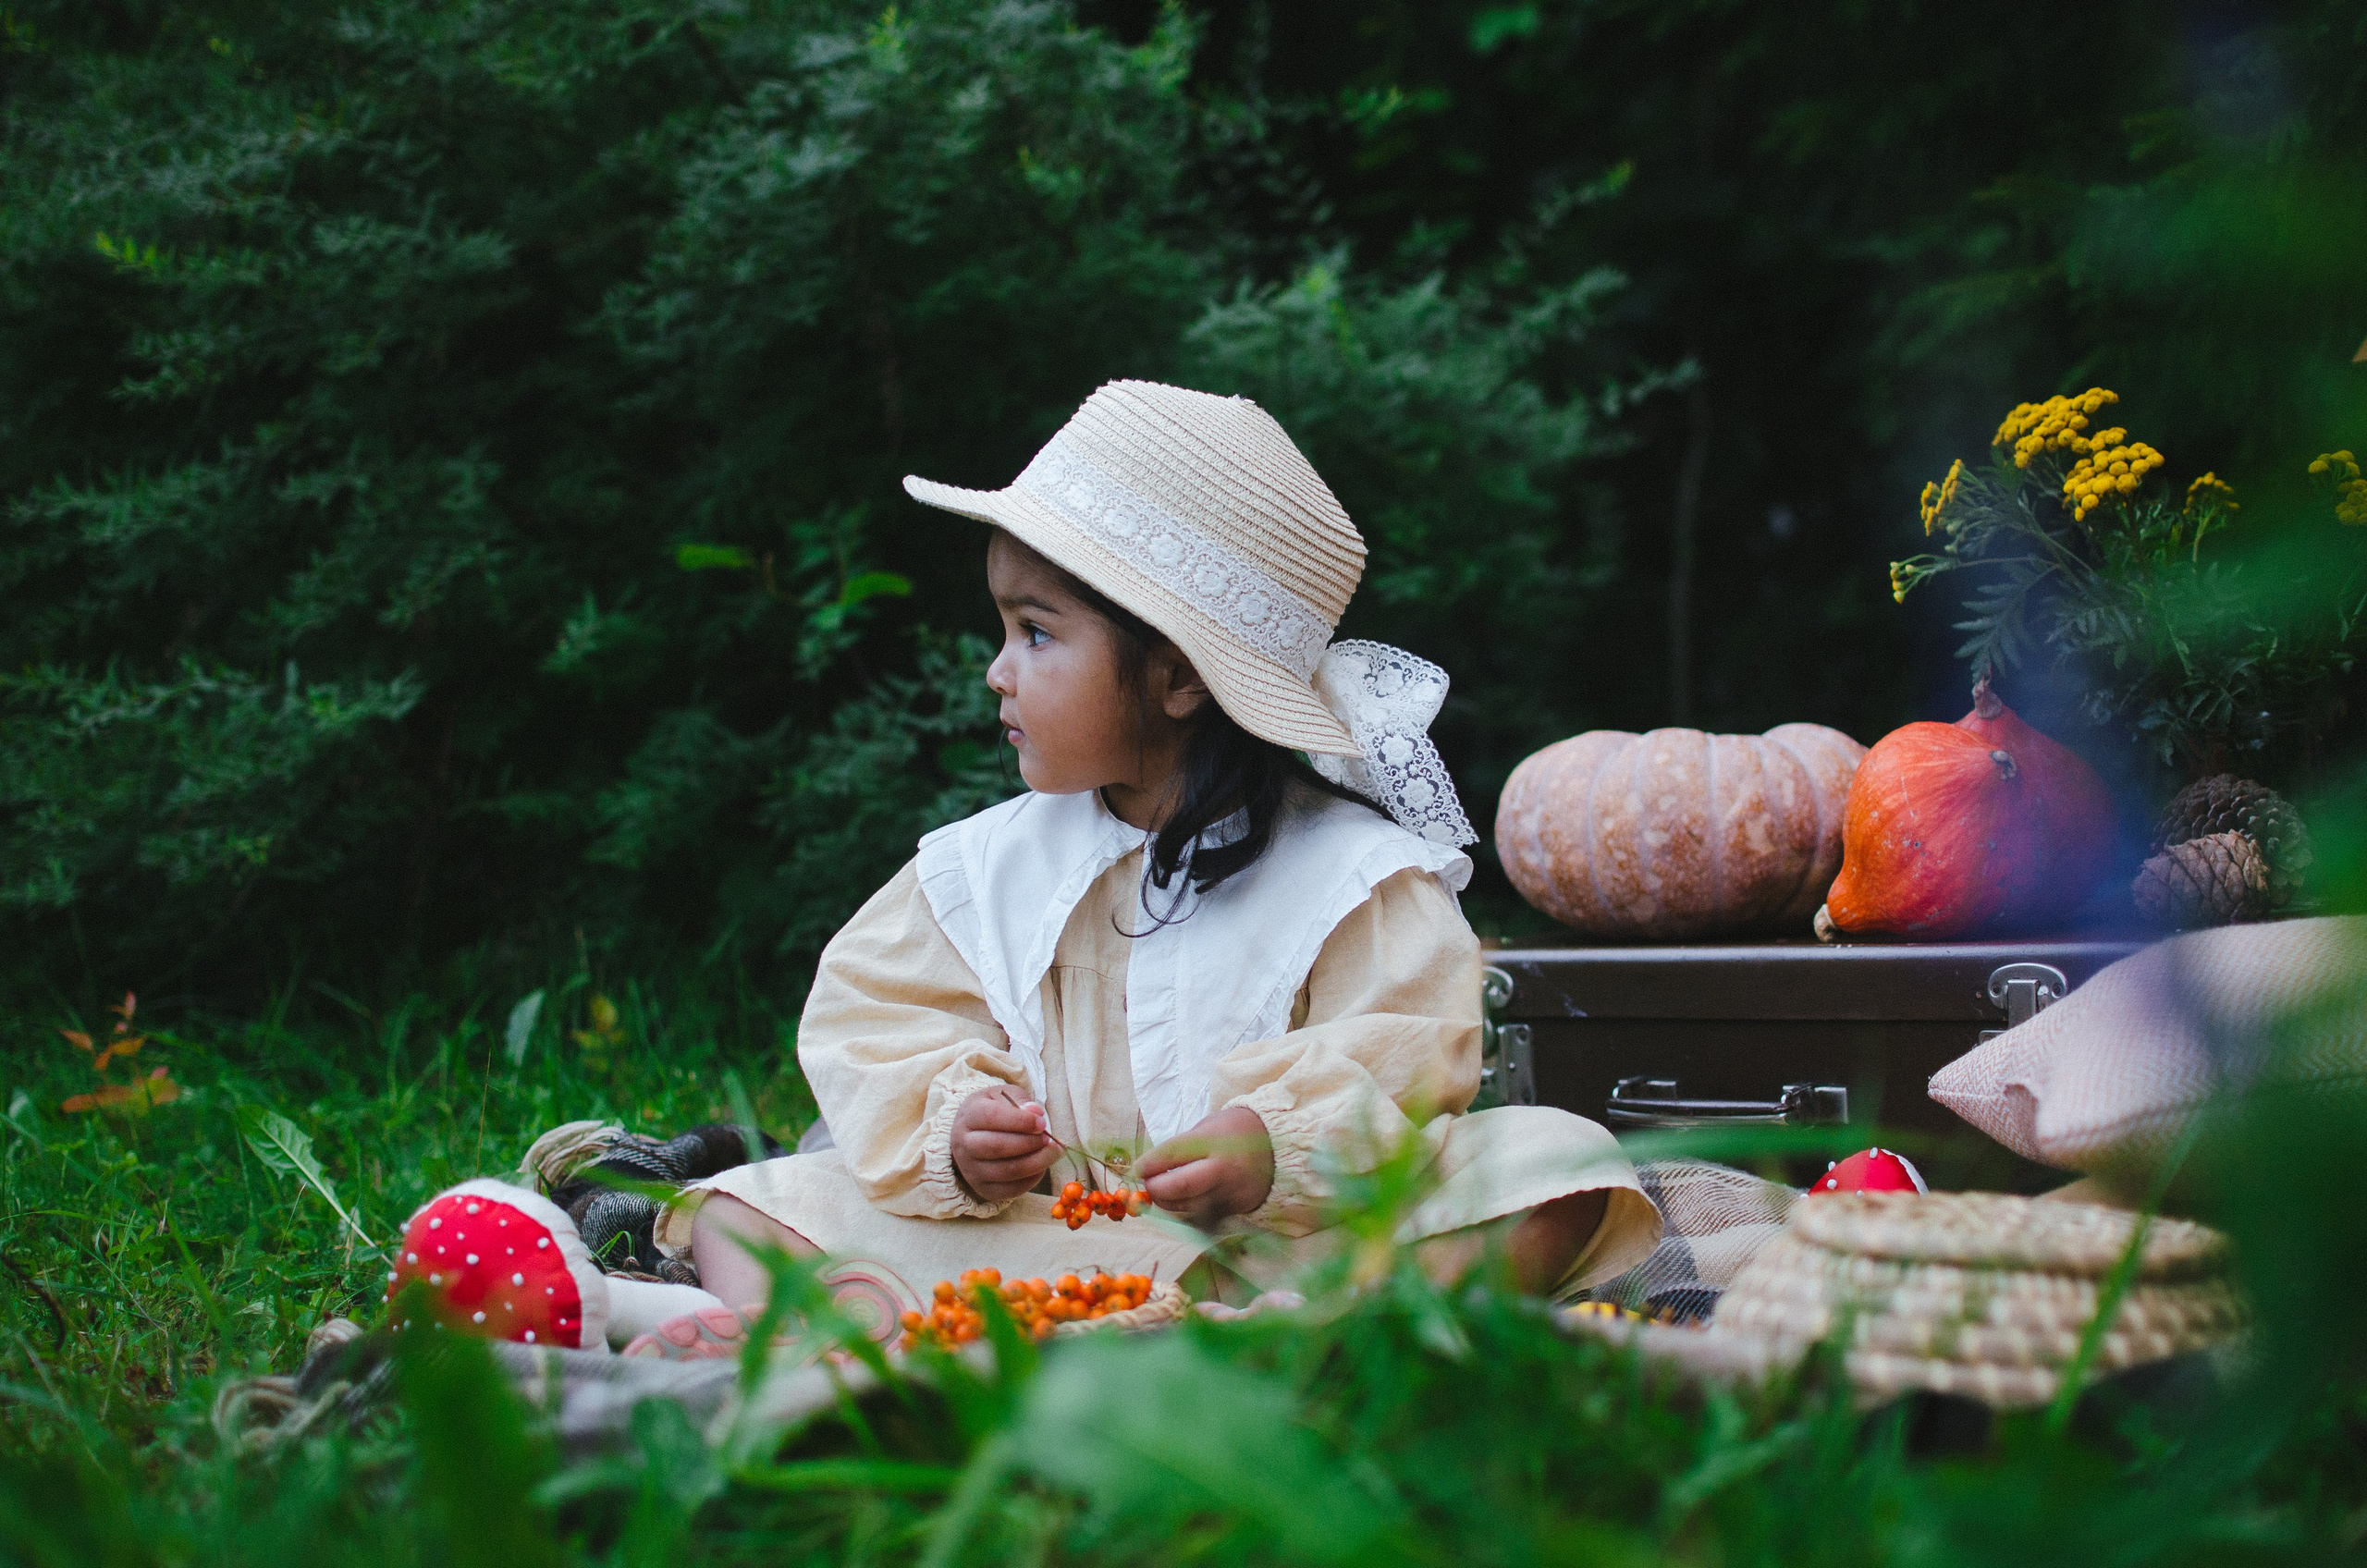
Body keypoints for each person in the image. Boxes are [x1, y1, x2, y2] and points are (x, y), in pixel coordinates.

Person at [631, 380, 1658, 1358]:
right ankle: (844, 1329)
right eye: (1004, 629)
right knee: (749, 1201)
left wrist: (1273, 1144)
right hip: (1038, 1241)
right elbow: (879, 1018)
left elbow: (1407, 1061)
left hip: (1272, 1255)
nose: (998, 669)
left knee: (1553, 1161)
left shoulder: (1348, 878)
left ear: (1175, 677)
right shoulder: (985, 869)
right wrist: (957, 1123)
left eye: (1034, 631)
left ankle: (1316, 1337)